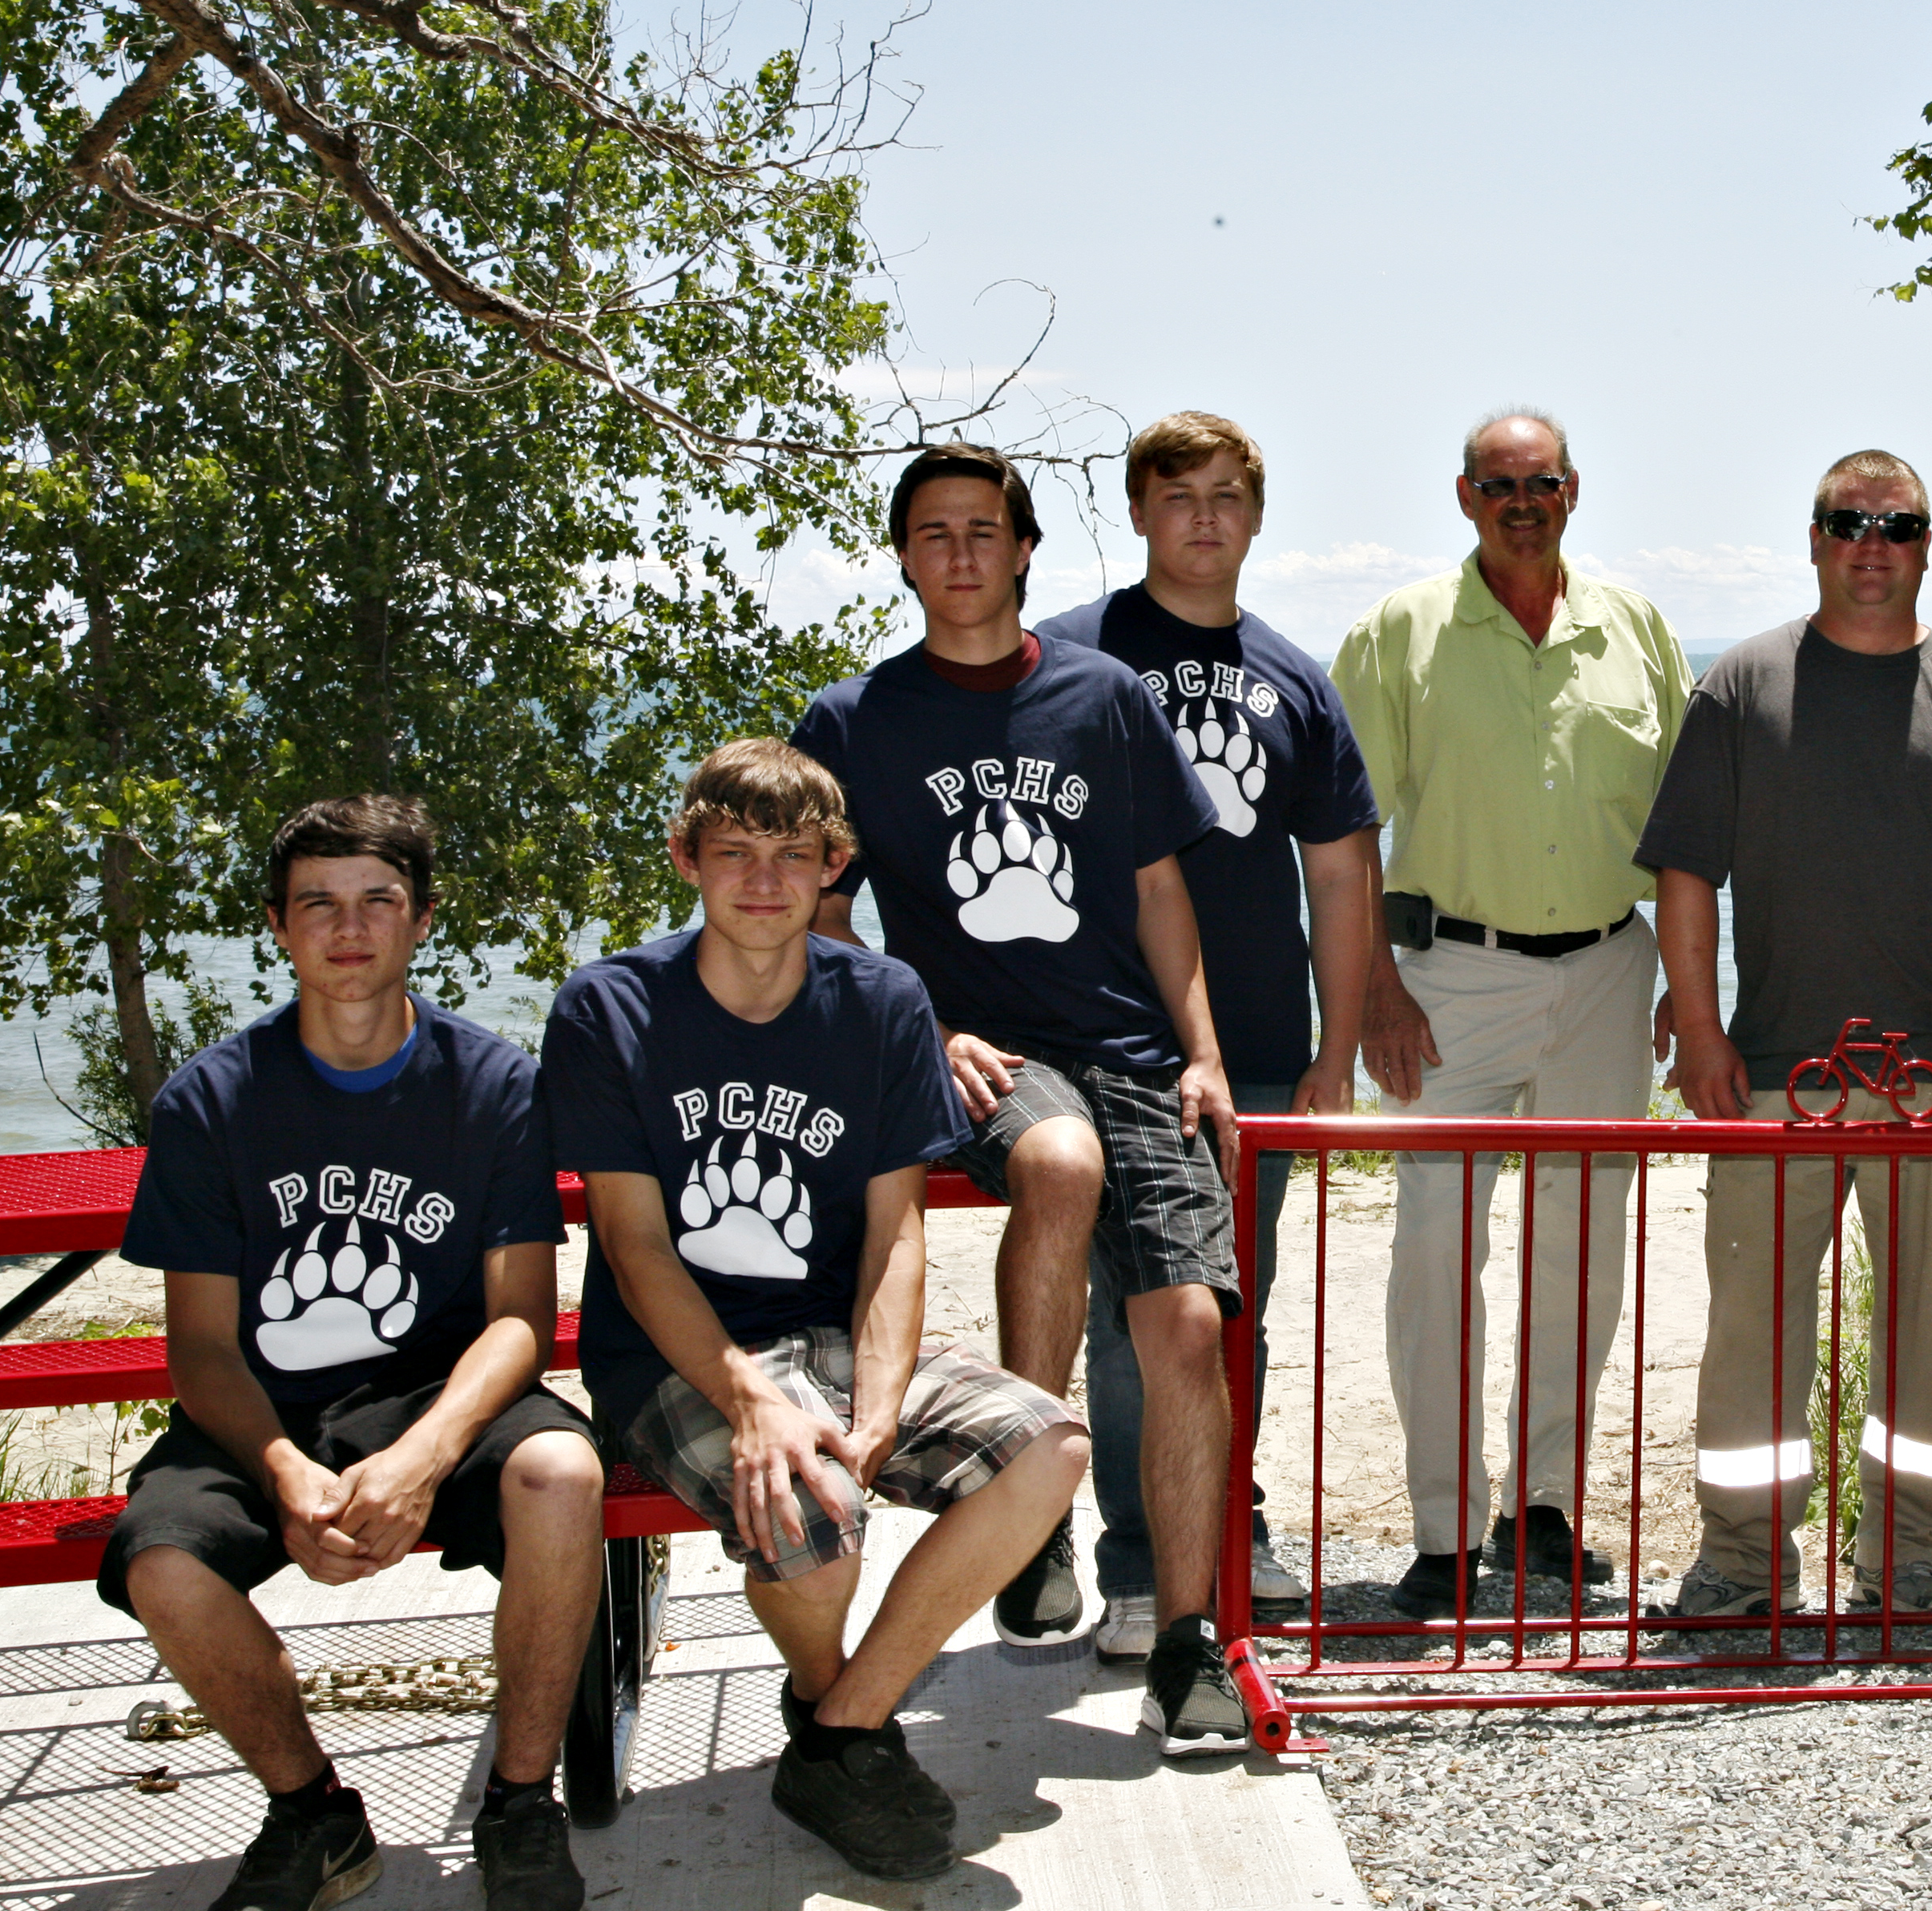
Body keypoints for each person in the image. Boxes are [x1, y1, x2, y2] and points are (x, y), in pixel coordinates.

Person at [543, 740, 1088, 1881]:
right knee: (810, 1509)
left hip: (837, 1337)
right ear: (686, 858)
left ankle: (839, 1729)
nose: (761, 880)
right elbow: (635, 1245)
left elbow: (896, 1230)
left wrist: (882, 1401)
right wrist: (747, 1397)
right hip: (676, 1355)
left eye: (793, 855)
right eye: (732, 852)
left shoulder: (884, 999)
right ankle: (841, 1718)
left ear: (834, 864)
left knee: (1050, 1446)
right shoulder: (611, 1006)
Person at [791, 442, 1254, 1754]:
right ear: (901, 555)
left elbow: (1165, 890)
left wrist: (1203, 1051)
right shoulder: (855, 721)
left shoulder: (1103, 697)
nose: (959, 553)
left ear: (1025, 547)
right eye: (931, 532)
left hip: (1131, 1048)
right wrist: (920, 1026)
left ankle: (1183, 1639)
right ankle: (1032, 1503)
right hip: (983, 1049)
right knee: (1054, 1164)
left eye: (982, 530)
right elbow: (827, 924)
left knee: (1182, 1328)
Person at [99, 796, 607, 1911]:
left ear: (423, 918)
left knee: (563, 1473)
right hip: (266, 1409)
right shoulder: (212, 1099)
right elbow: (199, 1346)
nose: (349, 927)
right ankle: (314, 1812)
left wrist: (423, 1457)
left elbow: (521, 1315)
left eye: (378, 900)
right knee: (161, 1560)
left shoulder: (493, 1083)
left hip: (440, 1393)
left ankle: (522, 1800)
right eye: (317, 903)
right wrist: (284, 1469)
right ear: (278, 928)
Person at [1640, 450, 1932, 1623]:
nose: (1870, 542)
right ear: (1814, 536)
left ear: (1926, 544)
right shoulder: (1741, 684)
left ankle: (1906, 1565)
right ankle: (1738, 1561)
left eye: (1896, 523)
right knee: (1750, 1333)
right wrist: (1703, 1030)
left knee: (1926, 1337)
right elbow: (1685, 873)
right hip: (1775, 1073)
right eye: (1848, 521)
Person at [1332, 408, 1693, 1619]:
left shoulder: (1634, 628)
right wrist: (1372, 983)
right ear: (1463, 495)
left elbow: (1689, 833)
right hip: (1445, 979)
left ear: (1573, 492)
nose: (1520, 501)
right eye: (1499, 483)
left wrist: (1690, 994)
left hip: (1606, 968)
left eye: (1539, 482)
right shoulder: (1401, 632)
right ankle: (1441, 1529)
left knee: (1581, 1243)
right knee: (1433, 1246)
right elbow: (1344, 829)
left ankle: (1541, 1509)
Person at [1037, 410, 1382, 1658]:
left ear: (1255, 515)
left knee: (1239, 1299)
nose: (1202, 518)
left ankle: (1227, 1518)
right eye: (1176, 495)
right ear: (1137, 512)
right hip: (1106, 1045)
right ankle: (1133, 1554)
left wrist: (1333, 1049)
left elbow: (1341, 876)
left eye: (1227, 496)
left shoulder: (1293, 678)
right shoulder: (1068, 658)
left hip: (1255, 1049)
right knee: (1138, 1304)